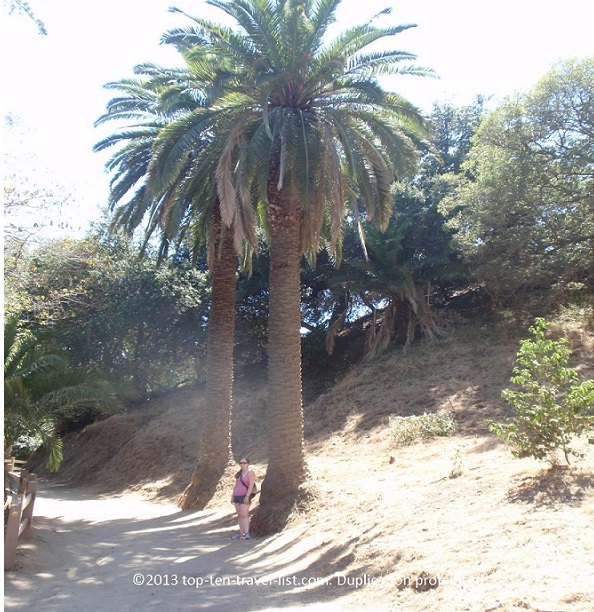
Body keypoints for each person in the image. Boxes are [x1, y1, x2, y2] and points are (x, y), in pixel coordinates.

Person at [231, 457, 256, 540]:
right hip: (237, 496)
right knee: (239, 515)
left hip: (244, 496)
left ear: (248, 464)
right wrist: (233, 495)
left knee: (244, 515)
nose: (242, 464)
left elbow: (251, 485)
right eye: (241, 463)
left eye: (244, 463)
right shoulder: (239, 474)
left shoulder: (250, 473)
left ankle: (247, 533)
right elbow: (236, 485)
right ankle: (241, 533)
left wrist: (247, 496)